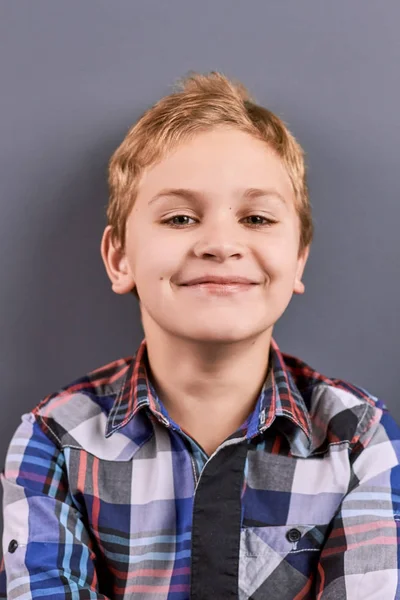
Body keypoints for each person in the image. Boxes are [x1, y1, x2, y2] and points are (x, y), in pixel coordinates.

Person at [1, 71, 399, 600]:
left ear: (298, 259)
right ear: (120, 258)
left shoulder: (360, 440)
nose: (220, 243)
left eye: (256, 218)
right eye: (181, 217)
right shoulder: (54, 440)